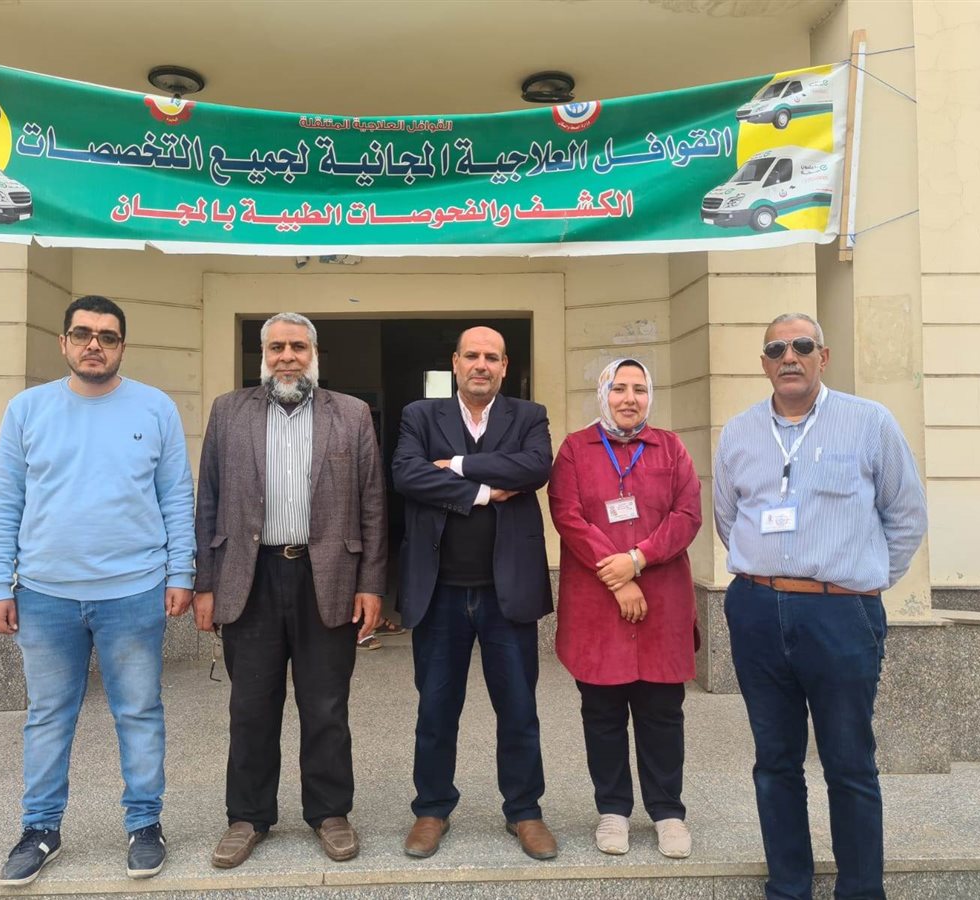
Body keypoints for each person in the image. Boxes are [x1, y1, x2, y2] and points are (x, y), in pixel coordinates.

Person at [0, 295, 196, 885]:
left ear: (122, 346)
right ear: (64, 342)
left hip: (134, 591)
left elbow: (177, 496)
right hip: (44, 594)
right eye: (82, 334)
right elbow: (4, 501)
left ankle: (145, 825)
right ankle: (39, 829)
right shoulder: (27, 409)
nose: (94, 344)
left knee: (140, 711)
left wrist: (181, 573)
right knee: (48, 716)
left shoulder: (154, 407)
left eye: (107, 336)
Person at [713, 313, 927, 900]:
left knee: (849, 763)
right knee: (774, 762)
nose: (790, 356)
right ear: (764, 363)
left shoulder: (869, 422)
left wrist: (862, 582)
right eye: (776, 349)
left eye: (802, 346)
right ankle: (789, 887)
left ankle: (860, 891)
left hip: (841, 615)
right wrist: (768, 574)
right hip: (757, 609)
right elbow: (728, 518)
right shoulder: (739, 432)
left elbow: (906, 516)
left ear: (822, 357)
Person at [193, 312, 385, 868]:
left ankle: (330, 813)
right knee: (251, 707)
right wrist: (205, 583)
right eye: (276, 347)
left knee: (326, 706)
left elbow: (373, 503)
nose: (287, 357)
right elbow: (208, 499)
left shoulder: (351, 414)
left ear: (314, 353)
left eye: (297, 347)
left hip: (327, 576)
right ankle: (247, 817)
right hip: (248, 576)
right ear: (263, 354)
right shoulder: (228, 411)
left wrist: (372, 584)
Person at [392, 326, 557, 861]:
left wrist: (459, 465)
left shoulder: (528, 416)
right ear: (455, 363)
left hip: (508, 592)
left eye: (491, 357)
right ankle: (431, 808)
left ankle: (524, 810)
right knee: (436, 709)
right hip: (439, 591)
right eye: (472, 356)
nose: (481, 364)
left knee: (519, 709)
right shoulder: (421, 415)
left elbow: (534, 467)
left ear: (504, 366)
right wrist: (484, 492)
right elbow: (408, 475)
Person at [548, 358, 701, 859]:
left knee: (662, 713)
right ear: (603, 394)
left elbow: (687, 515)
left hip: (662, 602)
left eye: (639, 389)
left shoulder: (671, 448)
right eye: (618, 388)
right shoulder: (576, 449)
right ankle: (612, 809)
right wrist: (617, 577)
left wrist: (637, 560)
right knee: (603, 713)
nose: (629, 398)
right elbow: (568, 516)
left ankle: (668, 812)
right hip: (597, 603)